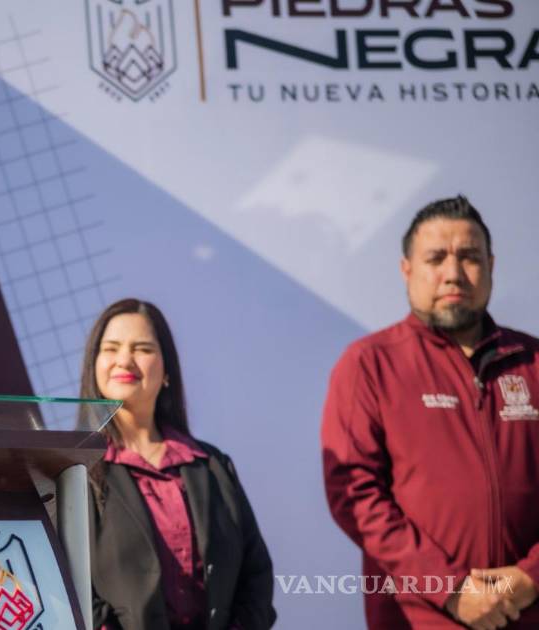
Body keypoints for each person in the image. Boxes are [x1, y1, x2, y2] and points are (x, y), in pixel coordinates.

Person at [322, 195, 539, 629]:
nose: (453, 273)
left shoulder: (532, 361)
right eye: (436, 258)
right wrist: (452, 588)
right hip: (420, 618)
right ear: (407, 269)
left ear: (491, 266)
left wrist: (531, 577)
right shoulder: (370, 364)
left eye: (469, 257)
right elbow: (355, 494)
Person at [83, 298, 276, 630]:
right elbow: (72, 585)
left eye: (142, 348)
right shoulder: (77, 470)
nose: (124, 360)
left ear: (167, 370)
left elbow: (256, 576)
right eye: (111, 348)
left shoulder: (213, 466)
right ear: (95, 364)